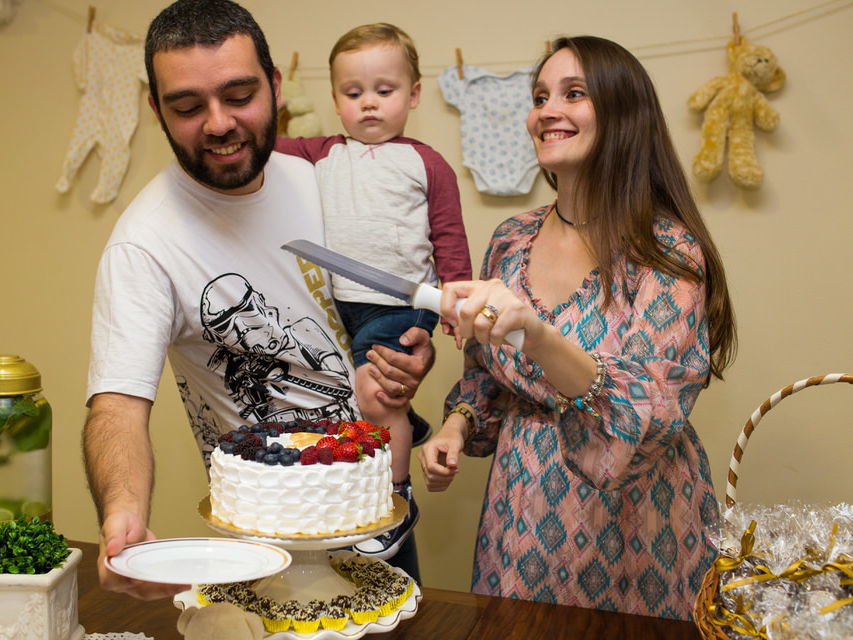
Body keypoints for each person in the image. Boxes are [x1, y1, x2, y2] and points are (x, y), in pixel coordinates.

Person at [82, 0, 433, 601]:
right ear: (156, 109)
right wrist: (123, 513)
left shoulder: (323, 178)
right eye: (187, 107)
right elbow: (117, 406)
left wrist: (408, 349)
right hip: (264, 550)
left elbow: (380, 305)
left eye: (239, 96)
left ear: (274, 85)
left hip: (375, 513)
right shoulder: (145, 245)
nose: (218, 123)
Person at [419, 36, 737, 620]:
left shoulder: (667, 252)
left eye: (573, 94)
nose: (548, 111)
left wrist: (538, 335)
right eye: (540, 97)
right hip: (520, 510)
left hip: (636, 520)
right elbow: (487, 373)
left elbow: (650, 410)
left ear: (624, 114)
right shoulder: (510, 240)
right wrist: (458, 426)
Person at [274, 23, 472, 560]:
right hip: (342, 307)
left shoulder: (426, 163)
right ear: (334, 99)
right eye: (352, 92)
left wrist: (455, 305)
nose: (368, 103)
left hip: (401, 305)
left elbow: (448, 237)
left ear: (414, 94)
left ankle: (394, 501)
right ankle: (405, 425)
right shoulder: (321, 153)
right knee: (366, 401)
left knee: (374, 396)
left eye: (384, 90)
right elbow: (263, 144)